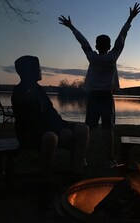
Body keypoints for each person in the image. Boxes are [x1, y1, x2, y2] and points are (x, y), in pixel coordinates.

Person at [58, 3, 140, 168]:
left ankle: (82, 158)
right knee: (108, 129)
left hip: (95, 96)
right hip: (106, 97)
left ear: (97, 46)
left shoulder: (93, 57)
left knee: (88, 128)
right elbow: (121, 38)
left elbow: (83, 42)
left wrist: (71, 27)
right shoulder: (113, 57)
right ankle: (108, 159)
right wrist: (130, 18)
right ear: (109, 47)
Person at [11, 55, 89, 209]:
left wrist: (63, 128)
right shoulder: (20, 93)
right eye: (38, 68)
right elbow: (32, 123)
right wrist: (57, 131)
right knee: (50, 137)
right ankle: (46, 183)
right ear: (29, 71)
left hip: (50, 128)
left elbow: (51, 114)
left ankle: (76, 174)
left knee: (82, 129)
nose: (41, 71)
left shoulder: (38, 90)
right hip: (30, 134)